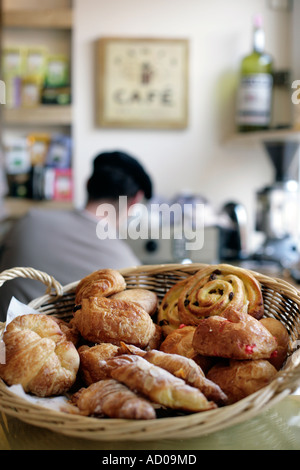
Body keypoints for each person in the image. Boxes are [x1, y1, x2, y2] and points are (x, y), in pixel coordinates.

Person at [0, 150, 153, 321]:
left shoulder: (29, 221)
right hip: (59, 345)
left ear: (87, 184)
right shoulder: (127, 267)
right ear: (135, 200)